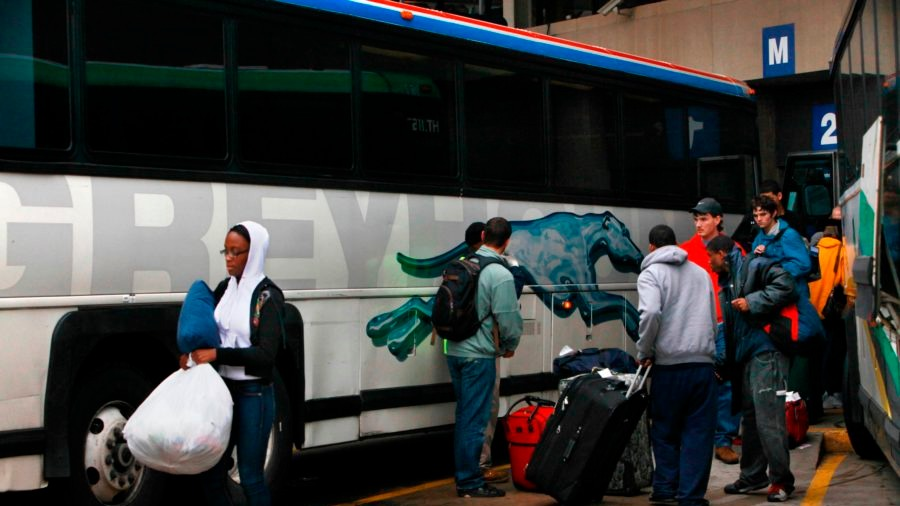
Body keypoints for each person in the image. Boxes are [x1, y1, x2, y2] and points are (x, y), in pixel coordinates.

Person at [181, 221, 284, 506]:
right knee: (211, 474)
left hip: (254, 396)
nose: (228, 258)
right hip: (223, 393)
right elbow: (208, 330)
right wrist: (192, 354)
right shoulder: (226, 288)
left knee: (250, 477)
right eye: (225, 251)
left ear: (253, 254)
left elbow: (266, 356)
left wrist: (218, 355)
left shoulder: (268, 297)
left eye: (236, 252)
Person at [707, 235, 797, 503]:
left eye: (710, 256)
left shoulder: (754, 266)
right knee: (752, 419)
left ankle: (781, 481)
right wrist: (726, 362)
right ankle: (753, 475)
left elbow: (787, 285)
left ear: (722, 253)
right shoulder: (730, 280)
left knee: (769, 419)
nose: (708, 262)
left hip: (766, 352)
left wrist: (753, 301)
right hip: (749, 355)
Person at [636, 224, 718, 506]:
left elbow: (649, 313)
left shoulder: (651, 274)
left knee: (664, 428)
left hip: (669, 365)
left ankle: (664, 488)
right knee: (698, 432)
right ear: (676, 244)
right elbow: (711, 316)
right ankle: (691, 496)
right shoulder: (701, 273)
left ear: (651, 247)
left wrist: (644, 349)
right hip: (702, 364)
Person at [447, 217, 523, 498]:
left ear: (483, 235)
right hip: (478, 356)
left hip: (454, 351)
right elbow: (508, 318)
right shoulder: (499, 273)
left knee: (464, 415)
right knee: (475, 420)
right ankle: (469, 482)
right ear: (507, 241)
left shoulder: (464, 264)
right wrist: (509, 344)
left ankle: (465, 475)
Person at [681, 197, 742, 465]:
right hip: (697, 325)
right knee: (699, 383)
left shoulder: (734, 249)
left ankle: (724, 440)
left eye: (704, 218)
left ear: (718, 219)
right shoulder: (685, 251)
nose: (698, 224)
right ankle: (702, 438)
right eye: (696, 219)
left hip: (724, 324)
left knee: (727, 383)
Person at [808, 223, 846, 409]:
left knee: (817, 353)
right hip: (830, 311)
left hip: (811, 309)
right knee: (834, 351)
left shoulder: (813, 251)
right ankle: (832, 392)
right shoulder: (842, 251)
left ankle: (819, 391)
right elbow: (842, 280)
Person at [751, 195, 812, 300]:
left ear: (774, 213)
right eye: (755, 216)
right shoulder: (758, 238)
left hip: (795, 293)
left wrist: (772, 272)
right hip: (772, 293)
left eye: (763, 214)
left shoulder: (789, 235)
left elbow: (803, 265)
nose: (759, 219)